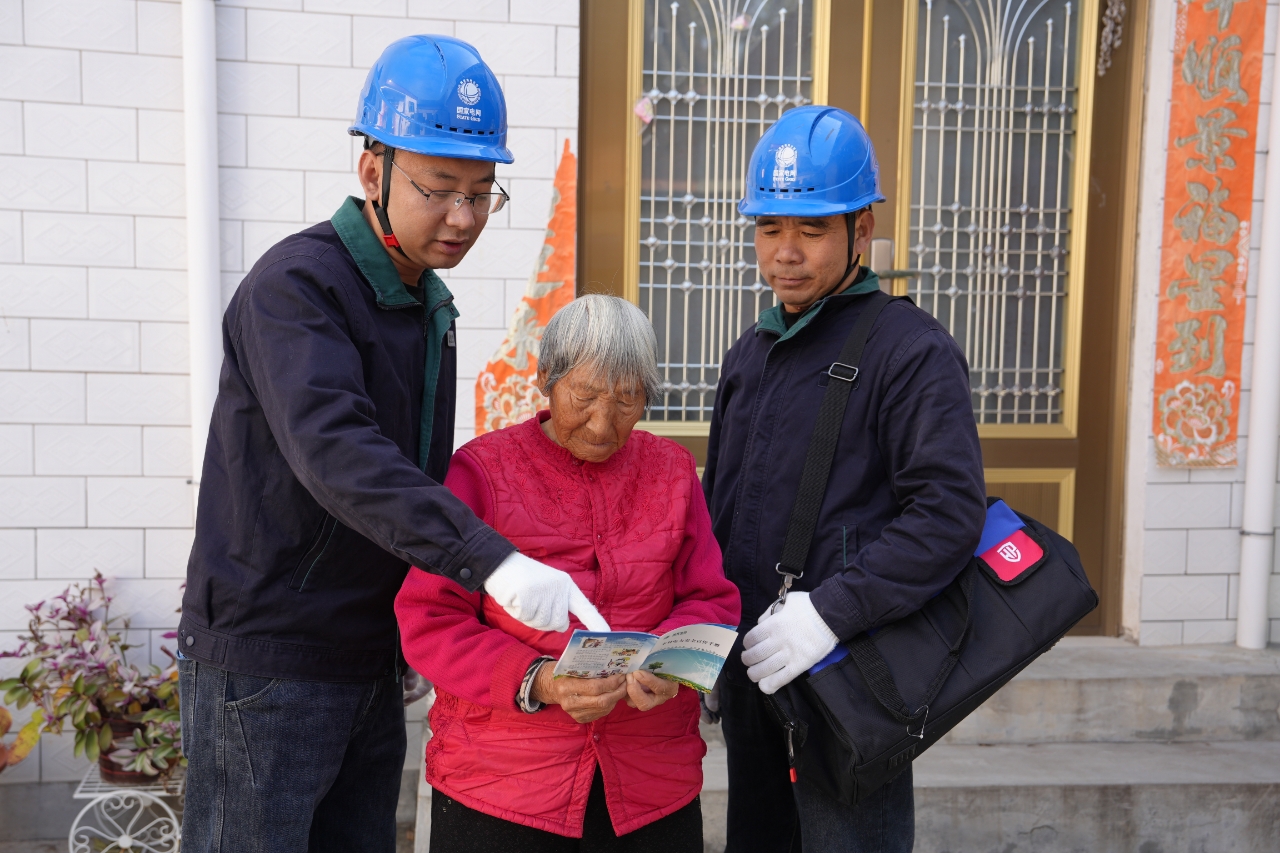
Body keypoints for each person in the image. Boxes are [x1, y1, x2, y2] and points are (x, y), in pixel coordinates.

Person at [177, 36, 605, 853]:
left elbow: (414, 478)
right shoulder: (298, 288)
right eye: (438, 189)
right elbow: (339, 451)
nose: (463, 217)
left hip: (368, 657)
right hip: (271, 661)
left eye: (481, 193)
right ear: (372, 171)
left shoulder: (423, 303)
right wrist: (492, 560)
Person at [702, 106, 987, 852]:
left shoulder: (909, 350)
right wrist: (704, 632)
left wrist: (829, 613)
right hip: (752, 669)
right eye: (769, 228)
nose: (786, 252)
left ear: (862, 230)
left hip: (847, 671)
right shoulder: (751, 351)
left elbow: (947, 513)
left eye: (812, 229)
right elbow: (719, 506)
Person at [396, 295, 741, 852]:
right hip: (503, 782)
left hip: (651, 777)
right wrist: (539, 680)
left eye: (627, 400)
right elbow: (430, 619)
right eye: (584, 396)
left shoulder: (672, 471)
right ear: (545, 380)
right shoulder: (481, 471)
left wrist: (673, 668)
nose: (603, 424)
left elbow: (711, 599)